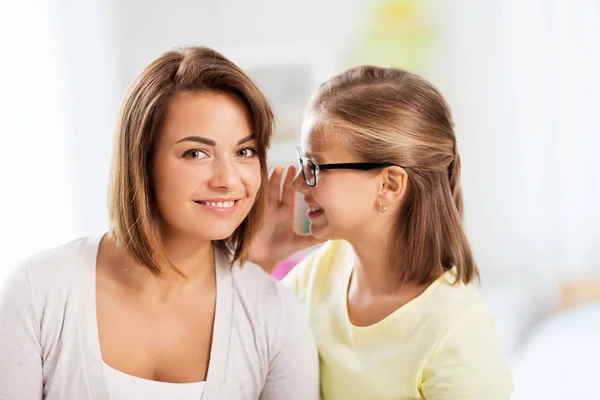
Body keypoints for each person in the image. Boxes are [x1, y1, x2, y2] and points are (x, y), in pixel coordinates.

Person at [0, 46, 319, 400]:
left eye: (245, 152)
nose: (228, 179)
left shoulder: (275, 315)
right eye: (196, 153)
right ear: (141, 160)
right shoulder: (39, 291)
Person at [250, 65, 513, 399]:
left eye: (316, 167)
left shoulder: (457, 332)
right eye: (304, 163)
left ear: (389, 185)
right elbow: (236, 364)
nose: (300, 183)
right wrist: (260, 259)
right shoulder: (318, 276)